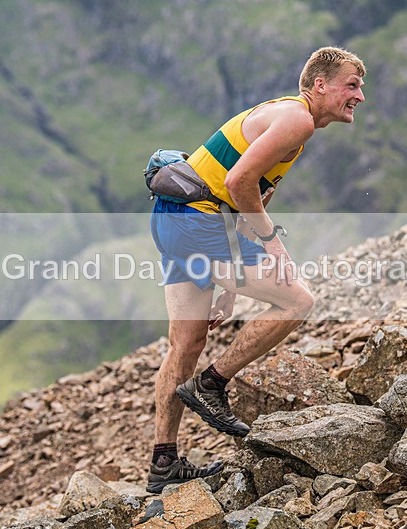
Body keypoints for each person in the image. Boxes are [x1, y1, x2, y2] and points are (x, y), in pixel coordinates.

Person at [146, 46, 366, 494]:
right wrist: (271, 242)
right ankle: (212, 384)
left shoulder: (288, 119)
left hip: (174, 218)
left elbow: (248, 194)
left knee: (186, 343)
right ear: (319, 85)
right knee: (298, 300)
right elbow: (238, 183)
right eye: (352, 85)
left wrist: (228, 282)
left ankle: (162, 463)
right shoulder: (297, 119)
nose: (359, 96)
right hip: (197, 221)